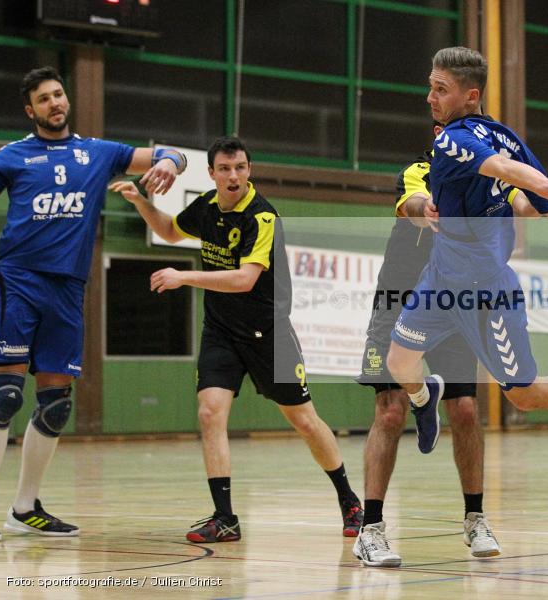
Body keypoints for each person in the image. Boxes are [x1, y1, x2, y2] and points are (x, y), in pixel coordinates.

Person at [354, 47, 548, 565]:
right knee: (400, 369)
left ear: (470, 94)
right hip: (434, 278)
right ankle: (423, 404)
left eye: (439, 89)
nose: (429, 98)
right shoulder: (438, 154)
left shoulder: (485, 138)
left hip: (487, 293)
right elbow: (422, 200)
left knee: (523, 396)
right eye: (430, 86)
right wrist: (430, 207)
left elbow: (522, 187)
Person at [111, 136, 363, 543]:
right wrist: (141, 203)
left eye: (241, 167)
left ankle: (349, 500)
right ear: (211, 174)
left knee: (303, 419)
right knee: (210, 413)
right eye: (225, 169)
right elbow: (172, 233)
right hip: (222, 331)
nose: (234, 176)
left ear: (249, 170)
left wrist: (185, 277)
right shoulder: (207, 207)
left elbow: (245, 280)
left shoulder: (261, 216)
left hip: (268, 332)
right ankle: (224, 517)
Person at [0, 66, 187, 540]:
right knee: (4, 397)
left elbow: (170, 152)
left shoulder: (97, 152)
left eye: (59, 95)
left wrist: (171, 164)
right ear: (30, 109)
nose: (55, 103)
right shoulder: (12, 156)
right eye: (44, 99)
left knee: (56, 404)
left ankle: (25, 506)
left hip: (67, 288)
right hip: (18, 281)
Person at [354, 124, 501, 567]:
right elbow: (412, 204)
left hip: (453, 304)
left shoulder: (485, 189)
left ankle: (475, 519)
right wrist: (431, 208)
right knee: (390, 411)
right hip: (398, 301)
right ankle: (371, 529)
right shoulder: (418, 171)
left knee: (467, 411)